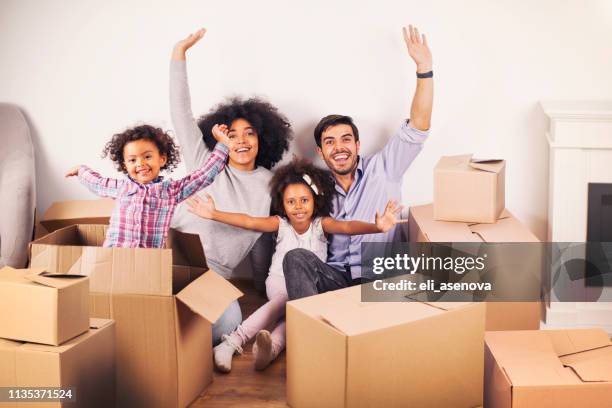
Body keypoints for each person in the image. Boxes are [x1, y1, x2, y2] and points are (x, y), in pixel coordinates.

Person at [187, 157, 405, 372]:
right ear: (282, 204)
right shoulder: (280, 224)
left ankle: (271, 349)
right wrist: (213, 214)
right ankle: (231, 342)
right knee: (288, 302)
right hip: (279, 283)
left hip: (308, 287)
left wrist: (376, 228)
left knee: (295, 312)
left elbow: (347, 227)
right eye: (291, 202)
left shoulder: (321, 224)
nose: (298, 207)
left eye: (304, 200)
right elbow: (249, 221)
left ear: (315, 200)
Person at [282, 24, 434, 299]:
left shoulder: (385, 168)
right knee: (295, 258)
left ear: (357, 145)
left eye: (345, 139)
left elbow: (418, 128)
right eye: (330, 142)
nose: (339, 148)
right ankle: (310, 334)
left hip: (380, 277)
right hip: (337, 277)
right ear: (321, 150)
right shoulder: (316, 187)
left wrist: (424, 70)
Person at [170, 28, 293, 344]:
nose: (241, 140)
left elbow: (268, 237)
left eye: (249, 133)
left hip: (212, 276)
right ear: (221, 137)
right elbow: (181, 114)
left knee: (227, 323)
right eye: (234, 133)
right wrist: (179, 55)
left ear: (261, 139)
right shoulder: (203, 161)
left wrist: (264, 286)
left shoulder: (270, 184)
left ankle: (169, 332)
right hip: (171, 257)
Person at [65, 124, 229, 248]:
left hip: (149, 261)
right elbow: (97, 183)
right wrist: (81, 170)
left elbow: (204, 175)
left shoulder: (171, 191)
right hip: (114, 255)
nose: (141, 164)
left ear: (162, 159)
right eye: (132, 160)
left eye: (147, 156)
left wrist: (222, 145)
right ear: (125, 166)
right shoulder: (122, 187)